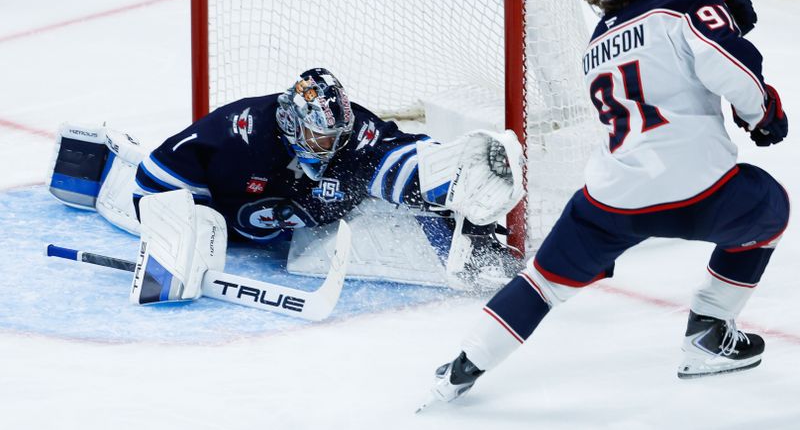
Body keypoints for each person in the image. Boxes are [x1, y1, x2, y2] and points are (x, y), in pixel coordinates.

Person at [426, 0, 790, 402]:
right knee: (769, 210)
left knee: (542, 282)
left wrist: (721, 14)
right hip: (703, 190)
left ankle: (466, 363)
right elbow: (729, 65)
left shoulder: (595, 48)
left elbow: (657, 42)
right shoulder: (688, 5)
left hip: (615, 198)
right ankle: (709, 334)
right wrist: (763, 113)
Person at [48, 68, 525, 289]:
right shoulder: (243, 138)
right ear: (294, 124)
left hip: (281, 199)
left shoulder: (343, 126)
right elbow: (165, 185)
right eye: (319, 136)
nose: (330, 142)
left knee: (378, 163)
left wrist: (435, 167)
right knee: (222, 224)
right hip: (202, 201)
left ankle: (465, 239)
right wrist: (183, 237)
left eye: (334, 132)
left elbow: (385, 143)